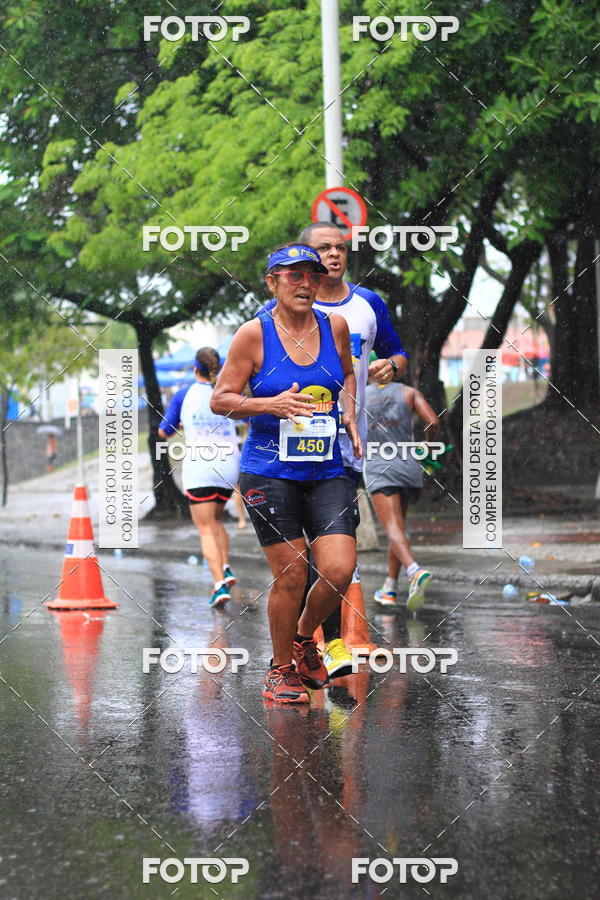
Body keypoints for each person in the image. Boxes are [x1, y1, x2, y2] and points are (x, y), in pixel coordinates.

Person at [211, 243, 362, 703]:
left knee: (338, 567)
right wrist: (269, 404)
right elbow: (222, 399)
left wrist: (350, 413)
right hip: (269, 471)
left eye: (312, 276)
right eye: (292, 275)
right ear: (271, 282)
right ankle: (280, 672)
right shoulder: (252, 335)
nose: (304, 283)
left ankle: (300, 639)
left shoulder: (334, 325)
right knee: (293, 574)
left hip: (326, 467)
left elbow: (348, 375)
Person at [261, 222, 409, 678]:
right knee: (302, 560)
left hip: (347, 443)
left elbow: (398, 356)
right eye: (322, 249)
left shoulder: (366, 306)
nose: (333, 255)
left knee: (337, 557)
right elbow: (250, 372)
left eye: (340, 248)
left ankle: (327, 641)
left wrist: (388, 367)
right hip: (284, 454)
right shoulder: (275, 313)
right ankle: (323, 645)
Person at [158, 347, 240, 608]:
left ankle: (218, 585)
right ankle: (226, 568)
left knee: (205, 528)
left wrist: (180, 424)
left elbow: (164, 432)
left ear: (195, 369)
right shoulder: (229, 391)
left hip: (201, 466)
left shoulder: (184, 394)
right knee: (215, 520)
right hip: (229, 465)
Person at [364, 377, 439, 611]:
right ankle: (390, 588)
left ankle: (415, 570)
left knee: (392, 528)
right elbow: (433, 422)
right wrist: (427, 445)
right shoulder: (409, 392)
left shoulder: (359, 395)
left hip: (378, 465)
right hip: (408, 464)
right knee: (397, 528)